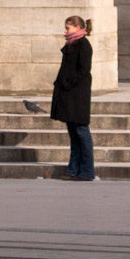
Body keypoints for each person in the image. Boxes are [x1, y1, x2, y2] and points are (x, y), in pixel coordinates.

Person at [50, 15, 95, 181]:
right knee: (74, 135)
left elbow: (83, 72)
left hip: (77, 97)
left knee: (82, 133)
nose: (65, 31)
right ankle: (73, 170)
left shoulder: (83, 44)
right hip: (69, 96)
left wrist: (67, 84)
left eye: (67, 28)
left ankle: (87, 171)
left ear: (77, 28)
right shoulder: (71, 44)